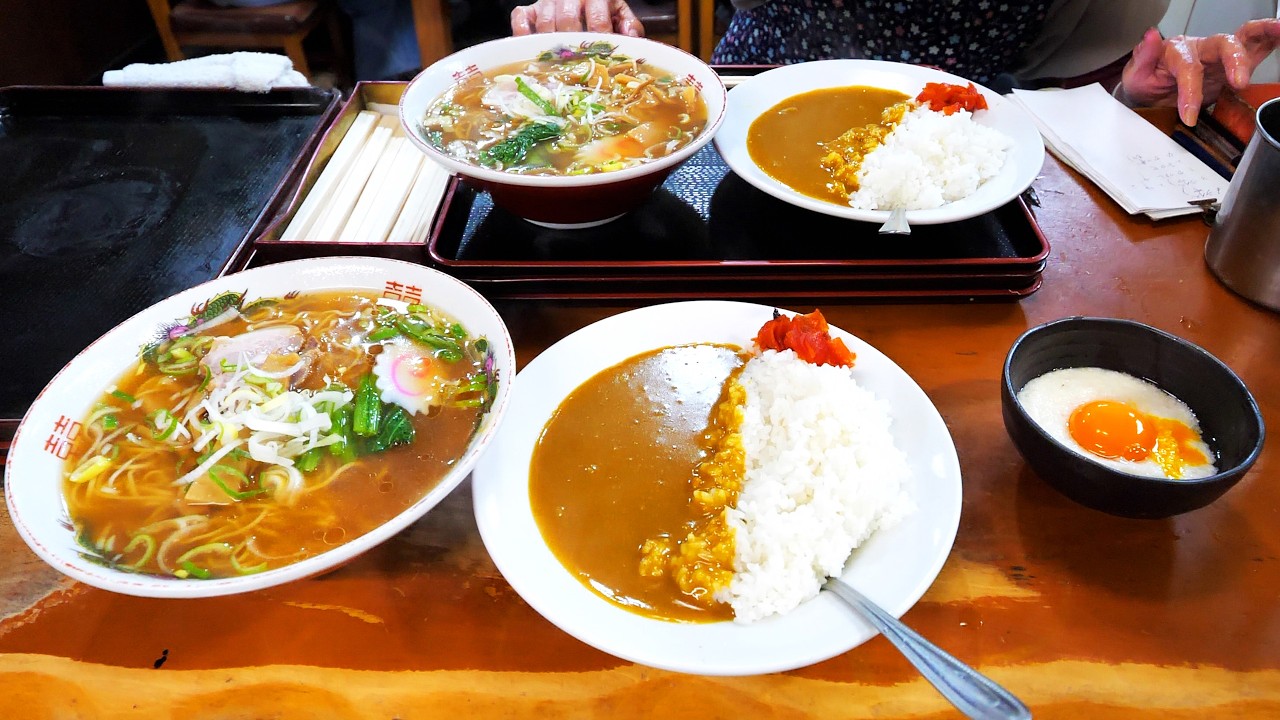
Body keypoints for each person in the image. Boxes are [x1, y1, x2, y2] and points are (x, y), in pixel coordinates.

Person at [508, 0, 1280, 126]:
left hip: (962, 148)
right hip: (744, 107)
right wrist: (579, 13)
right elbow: (621, 16)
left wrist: (1133, 94)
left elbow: (1071, 92)